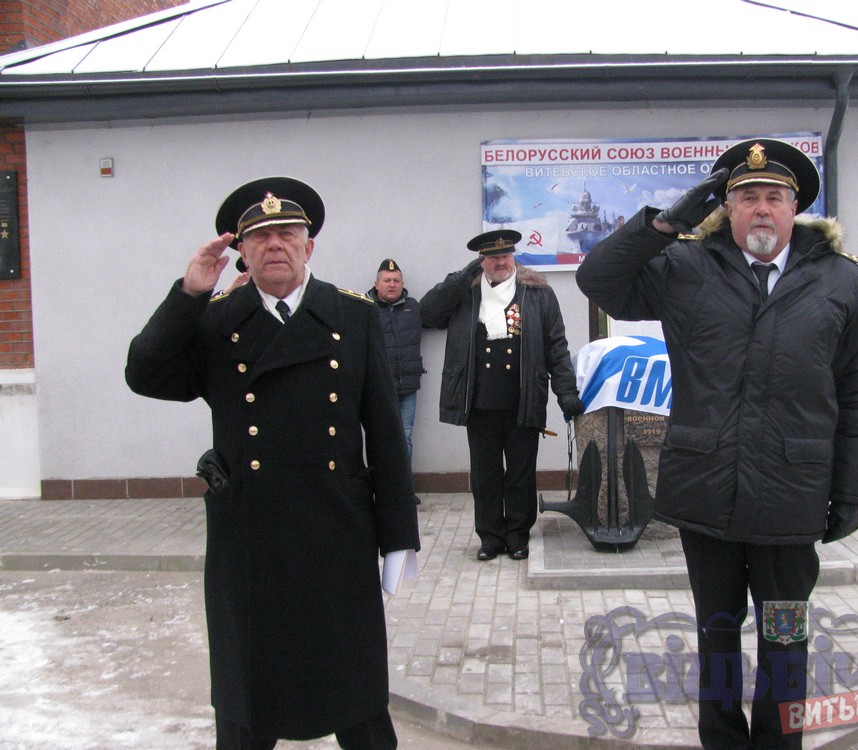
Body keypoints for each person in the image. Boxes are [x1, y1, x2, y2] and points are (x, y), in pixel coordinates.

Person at [576, 139, 858, 750]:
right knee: (717, 628)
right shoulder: (686, 268)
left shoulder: (840, 280)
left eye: (774, 197)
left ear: (796, 208)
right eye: (747, 197)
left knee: (785, 633)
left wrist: (852, 491)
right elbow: (598, 277)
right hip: (707, 492)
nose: (761, 210)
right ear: (727, 208)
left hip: (791, 502)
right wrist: (666, 224)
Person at [125, 176, 420, 750]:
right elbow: (145, 375)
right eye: (259, 237)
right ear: (241, 250)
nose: (274, 245)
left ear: (310, 246)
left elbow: (385, 435)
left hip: (337, 532)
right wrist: (186, 296)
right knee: (246, 701)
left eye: (287, 232)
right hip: (249, 540)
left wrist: (398, 538)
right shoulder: (215, 319)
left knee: (355, 695)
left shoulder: (352, 316)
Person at [421, 229, 584, 561]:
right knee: (485, 475)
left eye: (505, 256)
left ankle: (518, 535)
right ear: (482, 260)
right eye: (492, 257)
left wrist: (565, 392)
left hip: (523, 400)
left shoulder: (538, 294)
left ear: (514, 257)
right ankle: (491, 537)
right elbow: (427, 314)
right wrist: (462, 277)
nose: (500, 262)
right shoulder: (466, 294)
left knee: (521, 474)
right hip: (478, 403)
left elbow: (556, 346)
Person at [366, 259, 424, 471]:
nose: (392, 284)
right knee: (380, 439)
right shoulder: (365, 309)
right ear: (376, 284)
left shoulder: (414, 308)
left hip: (407, 386)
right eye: (387, 280)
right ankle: (382, 491)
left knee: (405, 437)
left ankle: (404, 491)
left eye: (396, 280)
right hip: (378, 388)